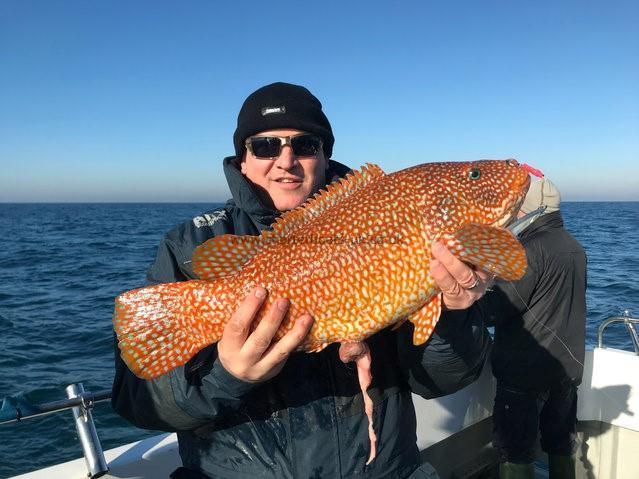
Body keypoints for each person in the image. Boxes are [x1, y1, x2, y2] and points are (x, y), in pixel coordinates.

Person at [112, 82, 494, 479]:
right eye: (265, 146)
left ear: (325, 156)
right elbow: (138, 401)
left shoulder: (405, 231)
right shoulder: (188, 246)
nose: (286, 160)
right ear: (242, 160)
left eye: (305, 145)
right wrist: (226, 375)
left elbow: (439, 381)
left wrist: (455, 313)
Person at [478, 178, 587, 479]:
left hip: (525, 375)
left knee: (514, 449)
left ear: (530, 211)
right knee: (560, 444)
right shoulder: (574, 246)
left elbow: (497, 310)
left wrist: (475, 291)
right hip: (566, 370)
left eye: (516, 210)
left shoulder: (526, 251)